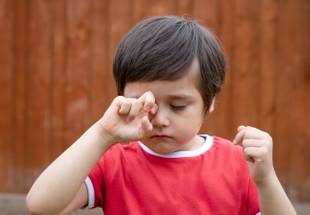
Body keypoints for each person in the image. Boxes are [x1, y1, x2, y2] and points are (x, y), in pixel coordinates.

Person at [26, 16, 297, 215]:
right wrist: (102, 133)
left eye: (178, 106)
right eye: (144, 104)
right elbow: (41, 206)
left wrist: (266, 179)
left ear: (210, 101)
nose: (160, 119)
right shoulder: (114, 161)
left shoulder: (239, 164)